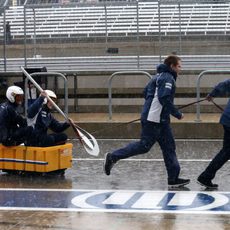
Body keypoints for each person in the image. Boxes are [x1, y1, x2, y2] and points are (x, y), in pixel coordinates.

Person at [103, 55, 190, 188]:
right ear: (172, 66)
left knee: (169, 147)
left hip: (160, 120)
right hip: (154, 120)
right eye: (179, 66)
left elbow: (146, 93)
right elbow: (164, 98)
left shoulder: (156, 77)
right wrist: (177, 114)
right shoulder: (167, 78)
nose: (181, 69)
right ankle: (113, 157)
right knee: (144, 146)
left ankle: (173, 178)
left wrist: (151, 109)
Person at [197, 79, 230, 189]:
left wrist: (212, 94)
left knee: (226, 152)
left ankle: (206, 176)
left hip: (227, 119)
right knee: (226, 152)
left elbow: (223, 84)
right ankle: (206, 176)